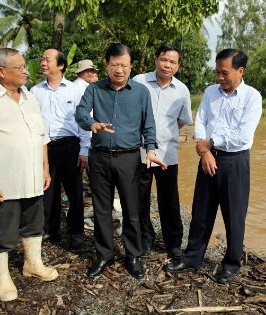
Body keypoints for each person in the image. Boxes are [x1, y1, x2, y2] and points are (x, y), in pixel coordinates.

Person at [164, 48, 262, 284]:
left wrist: (212, 143)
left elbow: (243, 135)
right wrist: (205, 150)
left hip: (234, 161)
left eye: (224, 73)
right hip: (208, 156)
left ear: (240, 71)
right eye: (217, 72)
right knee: (201, 211)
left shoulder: (252, 97)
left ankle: (231, 263)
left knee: (234, 216)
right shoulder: (210, 92)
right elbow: (202, 122)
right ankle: (192, 258)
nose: (220, 77)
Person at [0, 48, 58, 302]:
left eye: (23, 66)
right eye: (18, 67)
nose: (25, 70)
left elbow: (41, 136)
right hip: (4, 181)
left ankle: (33, 264)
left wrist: (45, 168)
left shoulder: (30, 98)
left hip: (32, 177)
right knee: (3, 231)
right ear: (1, 72)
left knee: (34, 223)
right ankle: (2, 276)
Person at [75, 43, 166, 280]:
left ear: (131, 66)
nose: (119, 70)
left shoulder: (140, 92)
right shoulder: (94, 89)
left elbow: (149, 125)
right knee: (101, 209)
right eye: (114, 65)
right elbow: (81, 112)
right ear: (106, 65)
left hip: (128, 158)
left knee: (131, 209)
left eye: (124, 65)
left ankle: (132, 255)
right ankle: (104, 254)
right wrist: (91, 124)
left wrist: (151, 149)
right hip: (100, 158)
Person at [132, 44, 192, 260]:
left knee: (169, 200)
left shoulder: (182, 90)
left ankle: (173, 243)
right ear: (156, 59)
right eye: (164, 59)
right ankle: (145, 239)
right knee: (140, 199)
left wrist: (165, 135)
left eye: (173, 62)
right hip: (139, 153)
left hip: (167, 155)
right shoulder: (139, 81)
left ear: (178, 66)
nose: (167, 65)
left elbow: (183, 121)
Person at [31, 48, 91, 250]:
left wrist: (84, 150)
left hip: (70, 145)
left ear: (61, 65)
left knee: (74, 192)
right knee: (48, 190)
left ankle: (76, 233)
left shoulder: (74, 91)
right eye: (42, 59)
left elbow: (83, 122)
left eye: (47, 60)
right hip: (46, 147)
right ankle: (51, 229)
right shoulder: (35, 91)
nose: (43, 63)